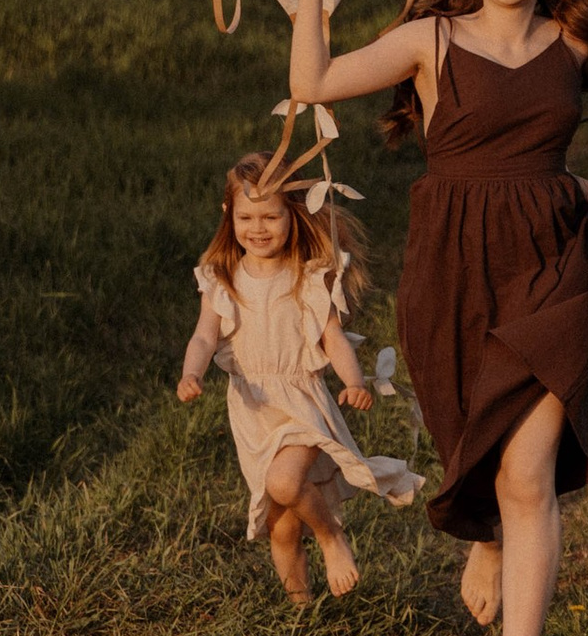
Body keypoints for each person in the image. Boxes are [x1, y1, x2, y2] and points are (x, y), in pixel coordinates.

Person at [282, 0, 588, 636]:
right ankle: (489, 536)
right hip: (453, 268)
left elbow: (529, 147)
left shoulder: (574, 43)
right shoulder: (431, 40)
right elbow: (315, 82)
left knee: (527, 468)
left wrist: (567, 183)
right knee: (472, 436)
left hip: (556, 267)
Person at [178, 147, 421, 608]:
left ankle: (331, 538)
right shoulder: (220, 277)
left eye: (270, 217)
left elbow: (332, 338)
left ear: (294, 214)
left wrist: (353, 383)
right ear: (229, 213)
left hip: (301, 401)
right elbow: (203, 338)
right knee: (282, 525)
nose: (258, 229)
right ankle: (301, 612)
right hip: (253, 412)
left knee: (286, 483)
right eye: (247, 217)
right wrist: (192, 373)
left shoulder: (307, 276)